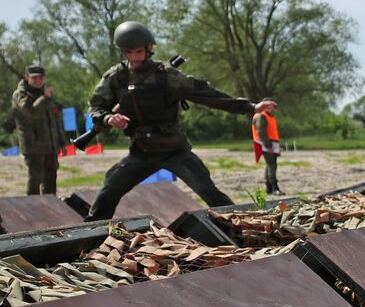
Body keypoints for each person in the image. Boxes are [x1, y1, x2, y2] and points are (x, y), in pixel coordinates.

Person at [85, 21, 276, 221]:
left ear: (149, 49)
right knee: (108, 192)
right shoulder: (116, 77)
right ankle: (90, 238)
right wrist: (108, 118)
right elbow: (96, 107)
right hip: (141, 153)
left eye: (139, 52)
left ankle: (242, 226)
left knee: (209, 191)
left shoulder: (166, 76)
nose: (134, 58)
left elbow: (208, 95)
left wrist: (251, 107)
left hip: (175, 151)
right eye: (129, 52)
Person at [11, 64, 64, 194]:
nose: (38, 81)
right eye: (34, 78)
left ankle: (51, 208)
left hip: (50, 146)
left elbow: (55, 121)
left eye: (40, 78)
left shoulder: (45, 94)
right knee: (35, 179)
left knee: (51, 179)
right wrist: (45, 98)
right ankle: (32, 210)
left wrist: (61, 142)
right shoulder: (20, 95)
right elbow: (31, 112)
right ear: (26, 77)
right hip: (33, 146)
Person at [252, 98, 283, 195]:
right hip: (266, 143)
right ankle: (274, 188)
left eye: (272, 105)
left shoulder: (270, 116)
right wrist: (268, 146)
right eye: (268, 105)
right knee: (272, 165)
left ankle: (269, 188)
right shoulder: (261, 116)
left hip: (272, 142)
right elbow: (260, 131)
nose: (270, 107)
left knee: (270, 164)